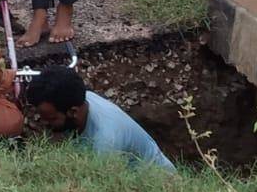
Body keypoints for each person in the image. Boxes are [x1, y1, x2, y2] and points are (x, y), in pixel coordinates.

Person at [26, 66, 175, 170]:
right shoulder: (83, 99)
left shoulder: (105, 143)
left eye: (51, 119)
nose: (44, 123)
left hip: (155, 185)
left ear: (73, 111)